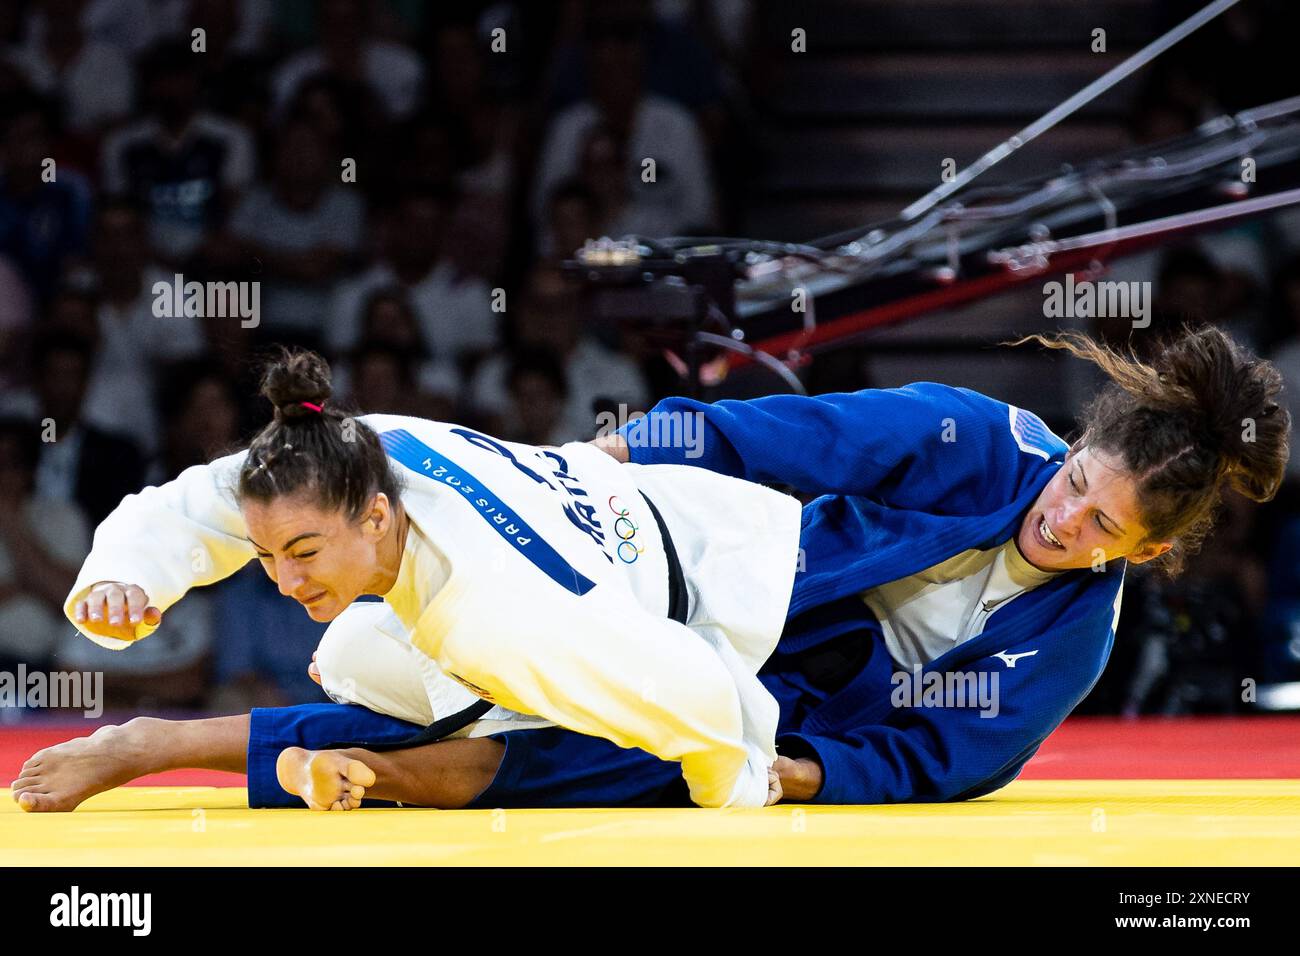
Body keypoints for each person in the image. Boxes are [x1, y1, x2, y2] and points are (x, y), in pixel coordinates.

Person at [15, 325, 1287, 811]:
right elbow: (778, 432)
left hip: (810, 698)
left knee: (557, 755)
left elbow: (951, 758)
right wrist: (623, 450)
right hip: (739, 570)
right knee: (482, 654)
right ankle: (159, 741)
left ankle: (190, 746)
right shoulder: (970, 433)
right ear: (1071, 443)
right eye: (1074, 481)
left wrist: (794, 771)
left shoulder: (1074, 635)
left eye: (1102, 527)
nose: (1064, 519)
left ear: (1146, 549)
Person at [13, 348, 801, 812]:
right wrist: (125, 576)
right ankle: (176, 745)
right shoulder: (338, 458)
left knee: (492, 754)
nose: (284, 581)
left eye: (304, 554)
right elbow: (208, 498)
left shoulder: (489, 602)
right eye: (269, 557)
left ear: (378, 517)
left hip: (626, 588)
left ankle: (159, 744)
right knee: (390, 682)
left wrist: (732, 782)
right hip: (557, 584)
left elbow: (684, 687)